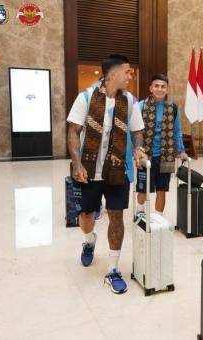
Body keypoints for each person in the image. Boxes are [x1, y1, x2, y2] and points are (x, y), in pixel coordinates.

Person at [67, 54, 146, 294]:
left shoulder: (130, 101)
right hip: (89, 171)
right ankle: (89, 241)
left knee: (116, 217)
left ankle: (113, 268)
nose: (130, 76)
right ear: (112, 74)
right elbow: (73, 131)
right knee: (86, 216)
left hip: (117, 169)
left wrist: (139, 149)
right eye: (127, 72)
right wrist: (77, 163)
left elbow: (137, 131)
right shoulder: (86, 97)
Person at [135, 74, 188, 219]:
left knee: (162, 189)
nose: (159, 89)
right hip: (146, 155)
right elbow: (134, 132)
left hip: (166, 154)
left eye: (163, 86)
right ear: (150, 88)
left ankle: (158, 217)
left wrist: (181, 150)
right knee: (143, 188)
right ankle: (140, 211)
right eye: (156, 86)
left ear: (167, 89)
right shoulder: (140, 106)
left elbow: (177, 130)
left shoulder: (173, 108)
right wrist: (135, 153)